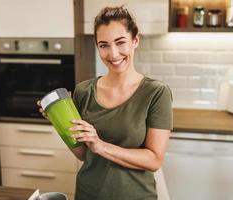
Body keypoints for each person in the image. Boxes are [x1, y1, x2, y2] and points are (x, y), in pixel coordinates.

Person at [40, 6, 173, 200]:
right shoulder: (84, 91)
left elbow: (154, 160)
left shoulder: (156, 92)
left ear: (135, 41)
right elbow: (84, 154)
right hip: (88, 194)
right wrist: (58, 120)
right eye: (104, 45)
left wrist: (100, 145)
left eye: (120, 43)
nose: (113, 53)